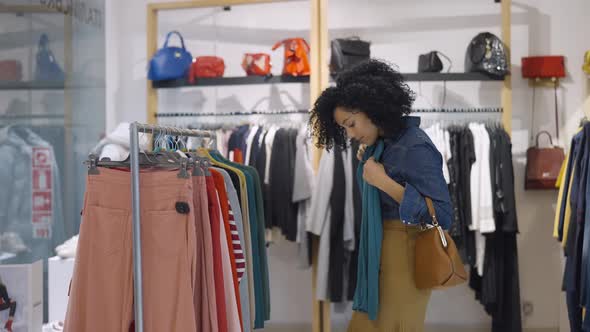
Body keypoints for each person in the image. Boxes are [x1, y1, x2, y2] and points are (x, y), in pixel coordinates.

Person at [309, 59, 453, 331]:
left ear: (371, 109)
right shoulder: (385, 145)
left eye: (351, 124)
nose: (350, 134)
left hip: (406, 257)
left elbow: (443, 216)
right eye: (344, 128)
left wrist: (383, 181)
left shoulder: (415, 146)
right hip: (383, 253)